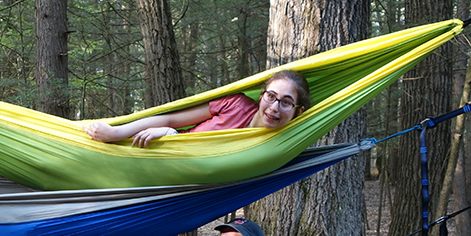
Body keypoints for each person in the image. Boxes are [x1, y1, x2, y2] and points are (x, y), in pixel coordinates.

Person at [83, 70, 312, 147]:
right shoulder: (236, 104)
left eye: (286, 102)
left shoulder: (280, 145)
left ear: (297, 111)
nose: (274, 107)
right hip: (156, 146)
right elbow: (171, 121)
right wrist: (115, 133)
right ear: (262, 95)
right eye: (271, 96)